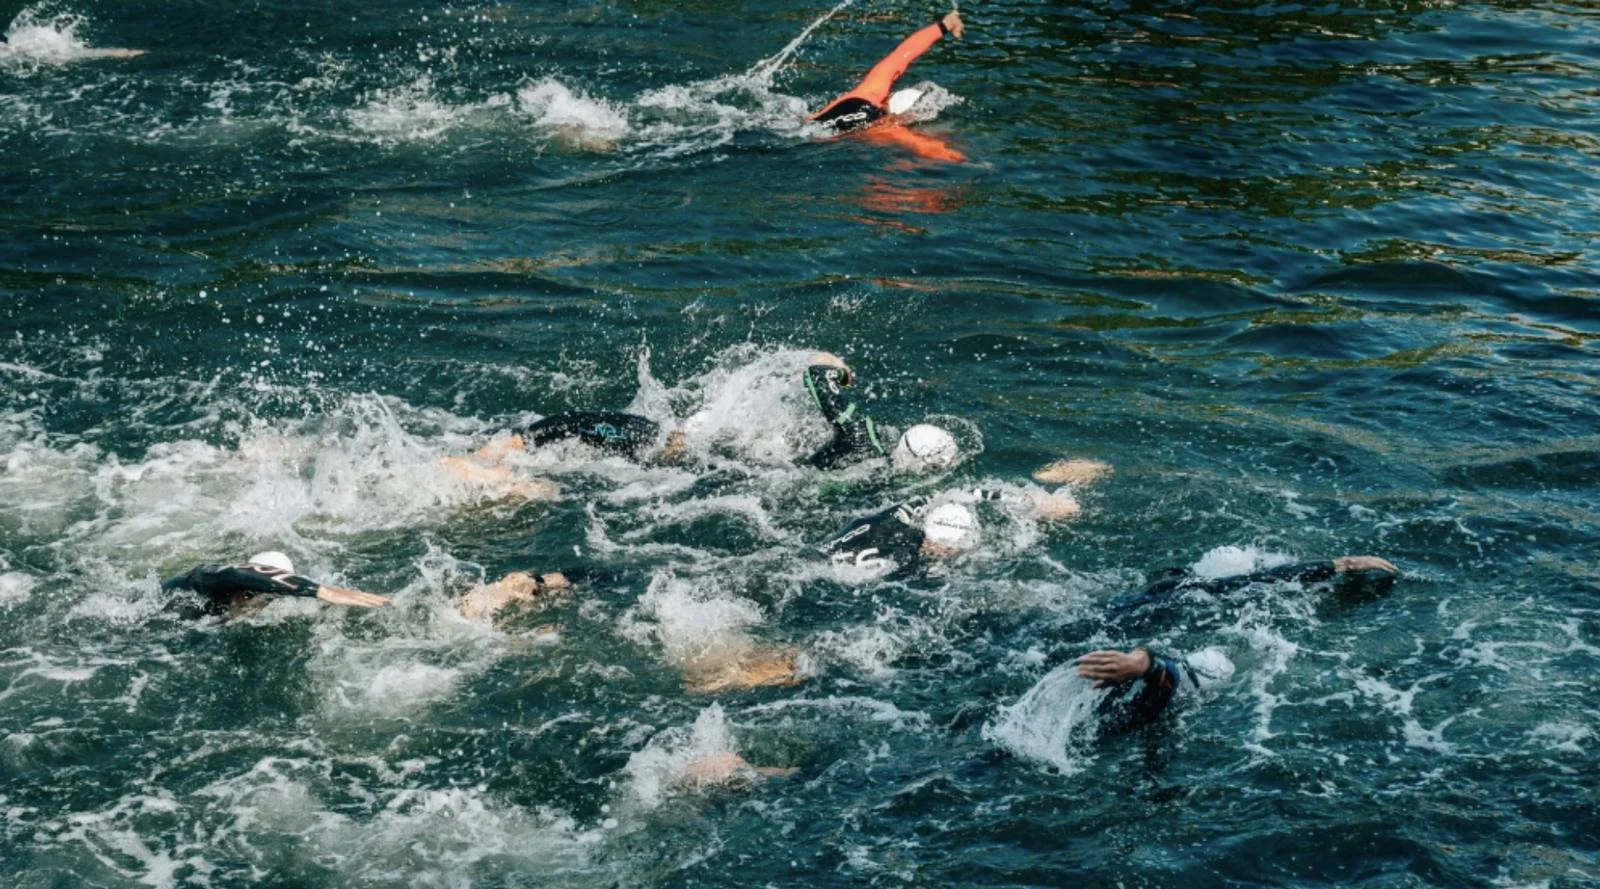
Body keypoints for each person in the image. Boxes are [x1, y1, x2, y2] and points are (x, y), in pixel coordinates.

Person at [1074, 555, 1399, 731]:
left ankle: (1144, 663)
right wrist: (1340, 564)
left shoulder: (1124, 601)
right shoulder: (1199, 592)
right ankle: (1144, 663)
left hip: (1097, 630)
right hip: (1152, 651)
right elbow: (1268, 578)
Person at [441, 410, 687, 492]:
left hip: (561, 428)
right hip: (557, 427)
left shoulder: (645, 440)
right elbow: (569, 423)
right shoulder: (642, 440)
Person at [809, 11, 964, 133]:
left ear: (890, 97)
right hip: (817, 140)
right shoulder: (885, 130)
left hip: (806, 127)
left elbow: (903, 54)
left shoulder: (869, 92)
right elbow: (934, 151)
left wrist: (945, 25)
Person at [162, 551, 390, 619]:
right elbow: (239, 573)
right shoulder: (204, 582)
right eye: (247, 591)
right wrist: (319, 591)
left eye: (259, 596)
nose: (245, 601)